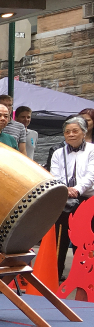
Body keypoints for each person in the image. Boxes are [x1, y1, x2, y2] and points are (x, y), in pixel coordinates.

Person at [50, 117, 94, 281]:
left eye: (75, 131)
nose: (71, 135)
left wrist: (77, 189)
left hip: (87, 200)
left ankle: (84, 276)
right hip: (64, 199)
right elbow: (55, 175)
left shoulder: (92, 150)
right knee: (60, 239)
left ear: (84, 132)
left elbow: (91, 175)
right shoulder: (57, 153)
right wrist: (65, 189)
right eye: (67, 132)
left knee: (84, 241)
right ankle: (55, 274)